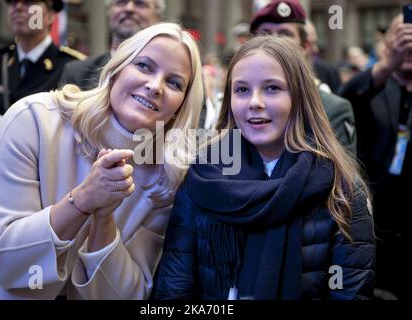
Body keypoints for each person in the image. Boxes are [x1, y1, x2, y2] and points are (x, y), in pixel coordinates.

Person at [0, 22, 203, 300]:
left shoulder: (165, 178)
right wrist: (84, 200)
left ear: (181, 107)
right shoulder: (35, 120)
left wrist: (104, 221)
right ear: (115, 71)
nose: (154, 86)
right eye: (144, 66)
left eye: (174, 82)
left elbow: (130, 294)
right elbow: (4, 263)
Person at [154, 36, 375, 300]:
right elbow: (173, 289)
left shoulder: (342, 190)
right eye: (242, 90)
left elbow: (348, 295)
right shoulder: (202, 177)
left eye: (271, 88)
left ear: (299, 96)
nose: (254, 102)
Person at [0, 0, 85, 261]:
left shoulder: (71, 68)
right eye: (12, 3)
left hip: (42, 195)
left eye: (29, 2)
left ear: (50, 15)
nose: (18, 8)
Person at [339, 14, 412, 300]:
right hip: (373, 227)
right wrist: (386, 66)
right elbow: (345, 99)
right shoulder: (373, 87)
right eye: (401, 38)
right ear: (386, 44)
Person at [249, 0, 357, 157]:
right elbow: (226, 169)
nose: (273, 41)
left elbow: (343, 177)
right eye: (265, 33)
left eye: (285, 34)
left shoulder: (332, 109)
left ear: (305, 46)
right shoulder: (237, 102)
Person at [61, 0, 165, 90]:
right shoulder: (77, 73)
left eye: (140, 3)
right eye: (121, 2)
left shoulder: (167, 77)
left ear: (158, 17)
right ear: (109, 11)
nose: (129, 8)